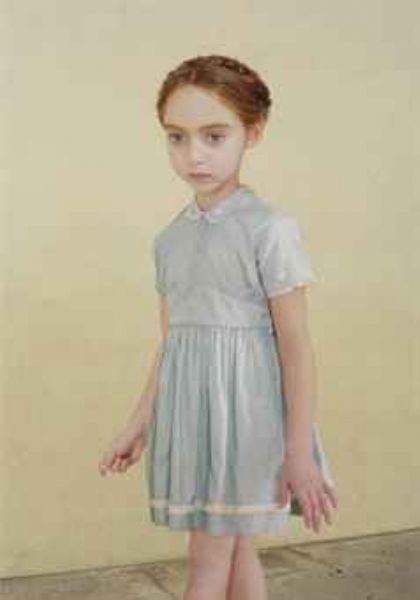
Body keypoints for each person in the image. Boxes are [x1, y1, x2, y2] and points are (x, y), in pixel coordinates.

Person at [98, 54, 338, 600]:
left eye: (213, 135)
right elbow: (174, 343)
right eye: (176, 137)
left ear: (252, 132)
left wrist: (299, 450)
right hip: (192, 422)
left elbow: (295, 346)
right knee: (236, 550)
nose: (193, 155)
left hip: (247, 423)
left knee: (206, 567)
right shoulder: (170, 240)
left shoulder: (269, 229)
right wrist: (138, 424)